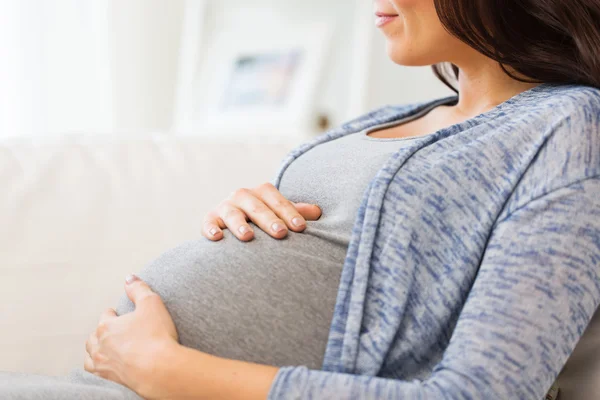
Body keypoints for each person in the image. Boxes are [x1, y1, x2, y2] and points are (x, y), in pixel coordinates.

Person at [2, 0, 600, 399]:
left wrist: (168, 369)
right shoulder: (387, 119)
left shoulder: (570, 125)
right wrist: (246, 218)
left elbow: (481, 393)